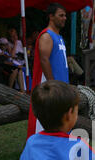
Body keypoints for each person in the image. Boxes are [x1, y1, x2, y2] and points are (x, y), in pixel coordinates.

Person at [27, 2, 69, 139]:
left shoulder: (59, 37)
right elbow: (44, 60)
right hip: (50, 86)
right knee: (46, 122)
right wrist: (51, 84)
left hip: (61, 86)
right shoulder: (47, 36)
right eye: (61, 15)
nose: (64, 18)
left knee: (60, 122)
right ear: (51, 16)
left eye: (65, 15)